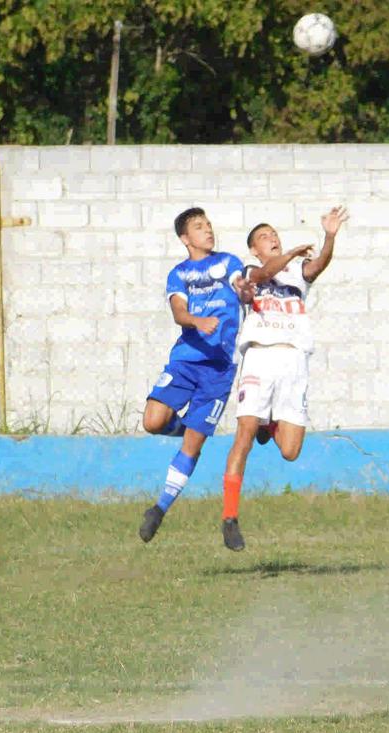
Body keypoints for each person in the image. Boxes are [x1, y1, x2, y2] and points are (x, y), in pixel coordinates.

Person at [218, 206, 349, 551]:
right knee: (245, 433)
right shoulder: (250, 271)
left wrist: (329, 237)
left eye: (274, 234)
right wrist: (289, 253)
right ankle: (229, 518)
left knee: (290, 451)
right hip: (260, 356)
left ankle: (271, 423)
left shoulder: (296, 273)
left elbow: (318, 264)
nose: (272, 238)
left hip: (294, 360)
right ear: (254, 249)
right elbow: (262, 276)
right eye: (264, 236)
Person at [138, 207, 251, 543]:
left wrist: (245, 289)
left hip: (219, 369)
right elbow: (178, 311)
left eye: (209, 225)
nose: (208, 230)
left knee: (193, 444)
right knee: (153, 421)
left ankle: (159, 509)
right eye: (199, 227)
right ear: (185, 238)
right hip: (185, 361)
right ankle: (188, 428)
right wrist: (196, 321)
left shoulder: (228, 262)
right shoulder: (179, 273)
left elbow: (240, 283)